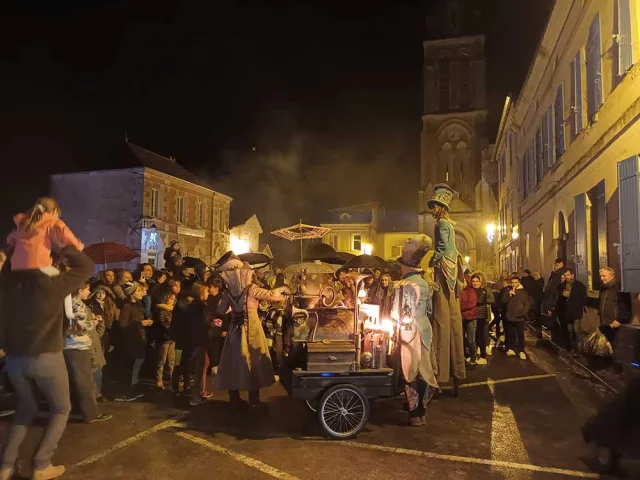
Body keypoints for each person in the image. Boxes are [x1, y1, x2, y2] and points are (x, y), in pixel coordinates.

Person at [0, 244, 93, 480]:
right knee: (61, 408)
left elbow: (9, 268)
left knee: (25, 407)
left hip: (14, 358)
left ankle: (6, 465)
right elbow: (86, 266)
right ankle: (41, 464)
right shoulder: (54, 284)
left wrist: (16, 247)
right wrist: (63, 242)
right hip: (46, 356)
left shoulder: (12, 284)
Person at [213, 252, 288, 409]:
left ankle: (234, 396)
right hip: (252, 329)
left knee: (234, 362)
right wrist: (285, 291)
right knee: (253, 360)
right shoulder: (251, 289)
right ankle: (254, 398)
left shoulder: (228, 293)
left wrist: (234, 309)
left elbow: (221, 310)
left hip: (235, 330)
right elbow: (271, 294)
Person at [392, 235, 438, 426]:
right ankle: (422, 410)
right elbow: (428, 310)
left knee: (409, 371)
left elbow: (398, 312)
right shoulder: (424, 283)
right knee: (424, 371)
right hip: (424, 329)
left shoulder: (404, 285)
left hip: (409, 331)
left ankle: (414, 413)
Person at [427, 184, 466, 393]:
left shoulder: (442, 224)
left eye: (434, 206)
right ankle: (457, 373)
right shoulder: (449, 223)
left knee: (442, 321)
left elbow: (441, 249)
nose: (432, 210)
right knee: (452, 320)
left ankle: (442, 375)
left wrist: (432, 262)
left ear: (441, 207)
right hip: (452, 271)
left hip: (444, 272)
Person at [63, 283, 112, 423]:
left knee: (78, 380)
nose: (89, 292)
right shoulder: (76, 304)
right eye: (87, 289)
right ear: (80, 290)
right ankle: (90, 413)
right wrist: (93, 322)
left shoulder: (68, 302)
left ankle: (79, 409)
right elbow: (81, 325)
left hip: (70, 345)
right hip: (76, 346)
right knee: (84, 381)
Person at [5, 197, 84, 271]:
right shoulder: (52, 220)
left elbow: (11, 239)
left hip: (16, 267)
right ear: (54, 211)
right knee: (66, 277)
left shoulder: (24, 221)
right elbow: (67, 236)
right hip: (39, 267)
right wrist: (79, 246)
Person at [114, 282, 153, 401]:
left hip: (137, 338)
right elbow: (123, 324)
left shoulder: (137, 304)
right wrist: (140, 323)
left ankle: (130, 389)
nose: (142, 293)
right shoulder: (127, 306)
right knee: (127, 368)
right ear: (132, 293)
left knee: (133, 367)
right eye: (139, 291)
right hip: (130, 341)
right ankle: (123, 392)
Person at [188, 282, 215, 406]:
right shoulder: (200, 306)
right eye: (205, 291)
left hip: (196, 338)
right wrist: (212, 323)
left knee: (204, 363)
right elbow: (202, 323)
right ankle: (195, 395)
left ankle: (200, 392)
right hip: (200, 339)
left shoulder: (194, 305)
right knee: (200, 367)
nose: (208, 293)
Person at [597, 267, 631, 353]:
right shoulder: (603, 288)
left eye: (604, 276)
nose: (601, 278)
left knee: (618, 346)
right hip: (605, 323)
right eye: (600, 276)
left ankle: (620, 365)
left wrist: (619, 319)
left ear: (612, 276)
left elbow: (625, 306)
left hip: (615, 323)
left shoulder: (620, 288)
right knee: (608, 346)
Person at [555, 268, 588, 352]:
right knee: (569, 330)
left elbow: (584, 298)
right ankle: (571, 347)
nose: (566, 277)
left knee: (577, 330)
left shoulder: (579, 285)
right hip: (566, 312)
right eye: (565, 275)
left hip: (576, 311)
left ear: (572, 275)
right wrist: (562, 296)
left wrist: (572, 298)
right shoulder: (562, 285)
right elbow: (557, 297)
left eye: (568, 275)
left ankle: (579, 349)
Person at [152, 291, 176, 390]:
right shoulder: (161, 311)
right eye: (171, 299)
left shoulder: (172, 311)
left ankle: (171, 378)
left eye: (174, 299)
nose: (172, 301)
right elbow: (163, 325)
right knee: (162, 359)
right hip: (164, 338)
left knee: (171, 359)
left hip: (172, 338)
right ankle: (159, 380)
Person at [503, 275, 530, 360]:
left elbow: (527, 304)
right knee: (510, 333)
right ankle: (511, 348)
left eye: (515, 283)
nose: (514, 284)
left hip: (519, 317)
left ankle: (521, 350)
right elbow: (503, 301)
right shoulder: (508, 291)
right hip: (510, 316)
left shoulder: (523, 292)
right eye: (512, 283)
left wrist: (522, 313)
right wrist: (509, 296)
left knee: (520, 334)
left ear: (519, 283)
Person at [540, 258, 568, 335]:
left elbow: (554, 287)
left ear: (562, 263)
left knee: (558, 319)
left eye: (557, 264)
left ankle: (560, 336)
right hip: (552, 297)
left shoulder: (560, 272)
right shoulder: (555, 273)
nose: (555, 265)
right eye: (555, 264)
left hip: (556, 298)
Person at [471, 273, 495, 364]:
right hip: (472, 315)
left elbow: (486, 300)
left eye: (477, 281)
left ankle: (483, 354)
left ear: (481, 282)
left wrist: (483, 300)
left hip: (481, 315)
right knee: (474, 335)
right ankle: (475, 354)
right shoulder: (470, 290)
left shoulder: (484, 290)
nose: (475, 283)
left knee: (482, 334)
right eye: (473, 281)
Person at [460, 274, 478, 367]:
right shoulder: (460, 291)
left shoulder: (471, 291)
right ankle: (463, 357)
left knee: (471, 340)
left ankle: (473, 358)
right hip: (462, 317)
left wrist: (459, 307)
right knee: (462, 339)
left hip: (470, 318)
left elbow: (471, 304)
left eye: (463, 280)